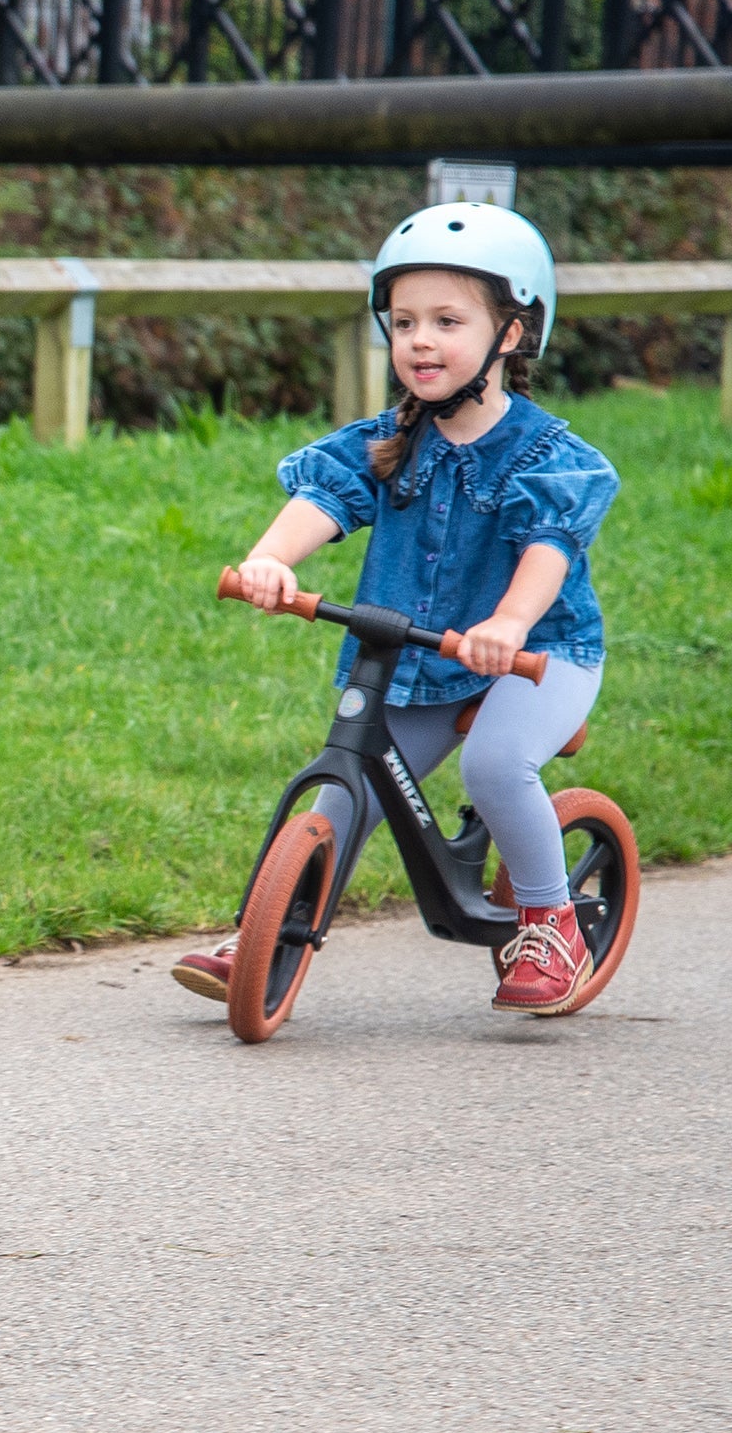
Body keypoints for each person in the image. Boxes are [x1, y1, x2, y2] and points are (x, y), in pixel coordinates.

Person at [173, 203, 619, 1016]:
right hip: (420, 658)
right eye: (404, 321)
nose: (419, 339)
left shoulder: (549, 457)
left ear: (509, 336)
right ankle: (268, 929)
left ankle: (552, 924)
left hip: (539, 653)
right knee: (344, 789)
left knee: (494, 768)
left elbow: (547, 549)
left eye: (448, 321)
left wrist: (509, 623)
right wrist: (273, 560)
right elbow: (325, 497)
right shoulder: (389, 440)